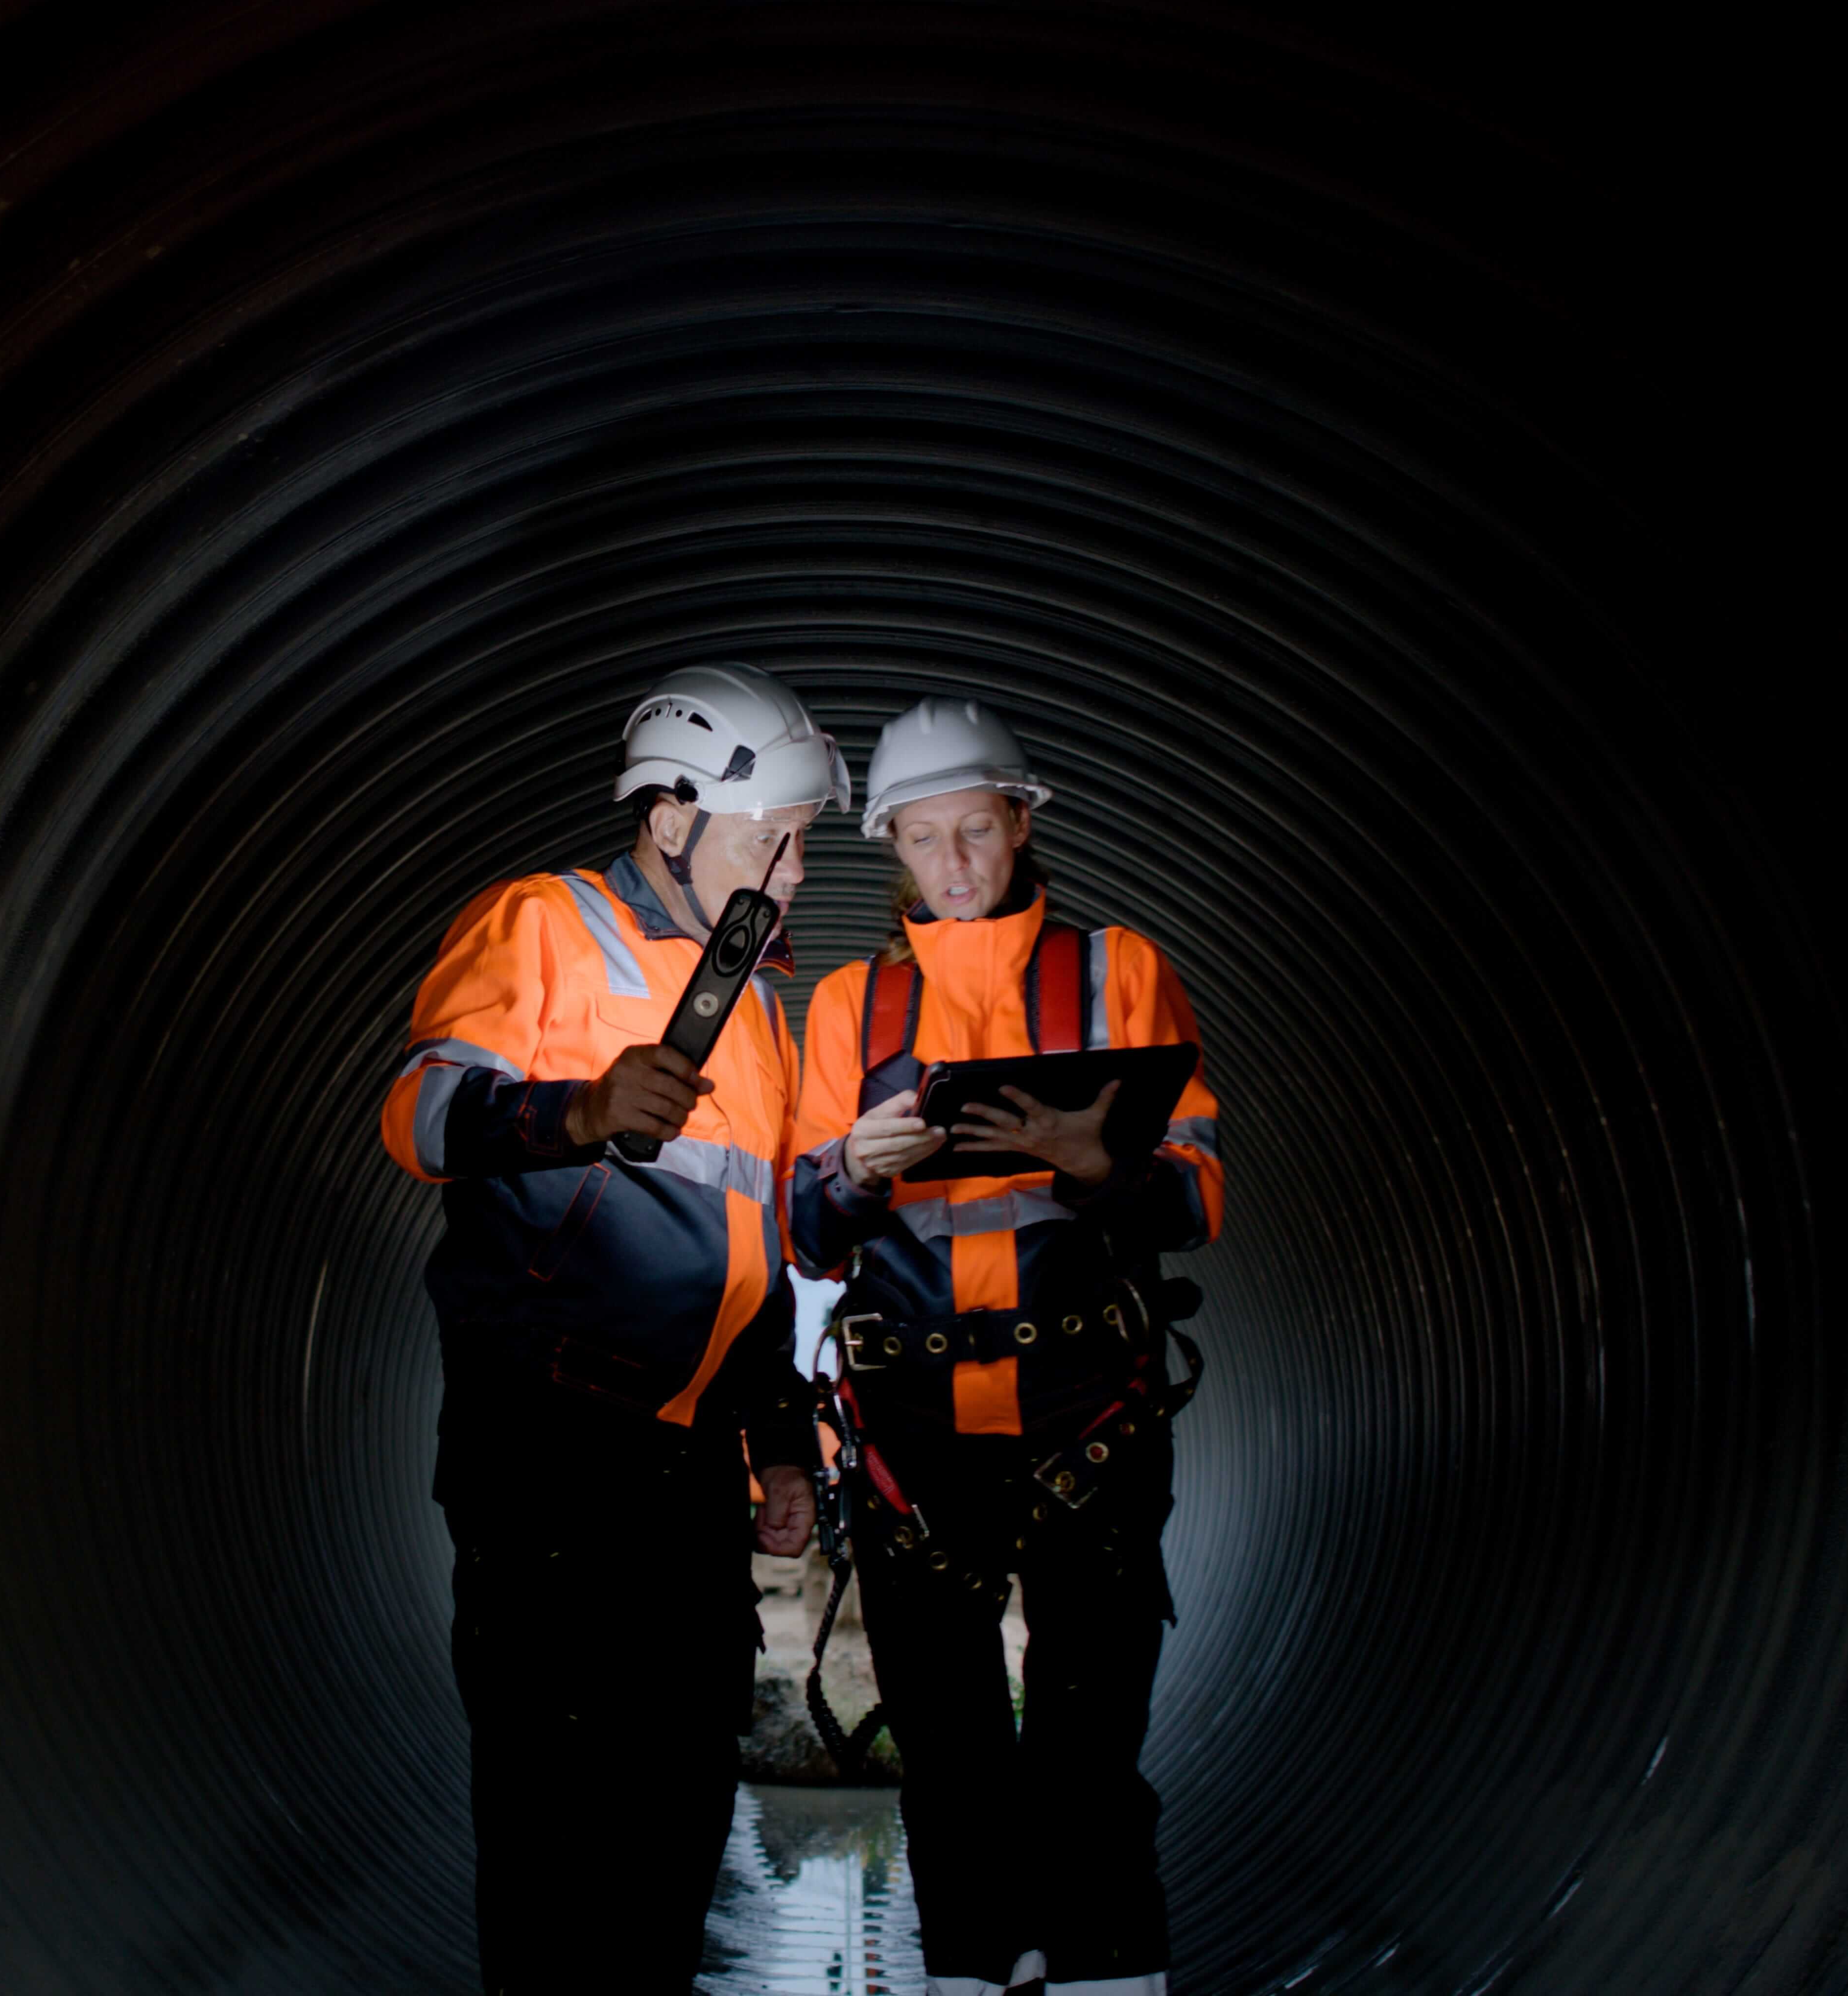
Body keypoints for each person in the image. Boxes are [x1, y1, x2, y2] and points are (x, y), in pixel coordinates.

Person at [379, 662, 842, 1993]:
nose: (797, 875)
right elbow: (419, 1114)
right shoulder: (545, 926)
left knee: (678, 1806)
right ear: (671, 819)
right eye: (775, 841)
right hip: (550, 1443)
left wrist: (785, 1450)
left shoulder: (751, 1000)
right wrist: (573, 1113)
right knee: (559, 1824)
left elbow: (751, 1263)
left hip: (687, 1472)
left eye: (806, 845)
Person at [786, 698, 1227, 1996]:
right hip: (916, 1443)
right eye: (925, 840)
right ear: (895, 852)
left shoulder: (1119, 972)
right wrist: (854, 1180)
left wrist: (1103, 1170)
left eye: (976, 829)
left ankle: (1102, 1974)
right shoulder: (850, 1009)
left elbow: (1199, 1197)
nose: (956, 862)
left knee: (1092, 1743)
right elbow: (804, 1234)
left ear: (1022, 820)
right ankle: (975, 1969)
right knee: (950, 1751)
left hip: (1091, 1411)